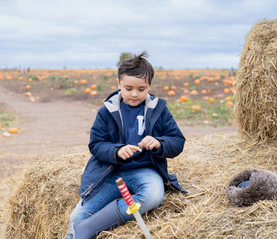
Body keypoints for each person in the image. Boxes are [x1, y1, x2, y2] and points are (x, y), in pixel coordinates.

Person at [65, 51, 186, 238]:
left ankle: (91, 226)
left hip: (145, 170)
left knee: (153, 196)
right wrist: (117, 150)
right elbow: (96, 145)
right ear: (118, 83)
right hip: (111, 172)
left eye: (141, 89)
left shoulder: (158, 110)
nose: (135, 94)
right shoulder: (106, 111)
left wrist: (159, 143)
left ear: (149, 86)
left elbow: (177, 141)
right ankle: (81, 228)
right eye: (128, 88)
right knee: (77, 216)